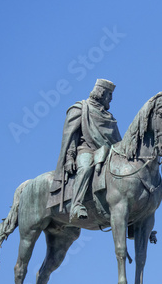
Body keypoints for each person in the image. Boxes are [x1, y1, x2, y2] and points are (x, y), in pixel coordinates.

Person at [50, 79, 121, 221]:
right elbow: (70, 136)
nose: (110, 101)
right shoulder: (81, 108)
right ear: (102, 94)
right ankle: (76, 205)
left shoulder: (109, 117)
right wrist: (69, 158)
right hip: (86, 150)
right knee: (86, 167)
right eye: (109, 96)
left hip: (107, 153)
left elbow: (118, 142)